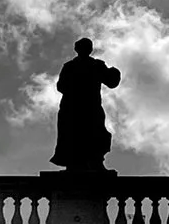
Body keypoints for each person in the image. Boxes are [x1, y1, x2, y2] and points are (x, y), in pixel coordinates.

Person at [51, 38, 123, 172]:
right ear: (77, 49)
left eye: (87, 47)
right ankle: (75, 165)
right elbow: (61, 86)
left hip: (90, 107)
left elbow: (111, 82)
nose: (85, 50)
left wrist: (114, 73)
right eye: (83, 47)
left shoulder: (97, 65)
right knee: (74, 135)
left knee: (96, 133)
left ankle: (95, 163)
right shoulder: (70, 66)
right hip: (73, 107)